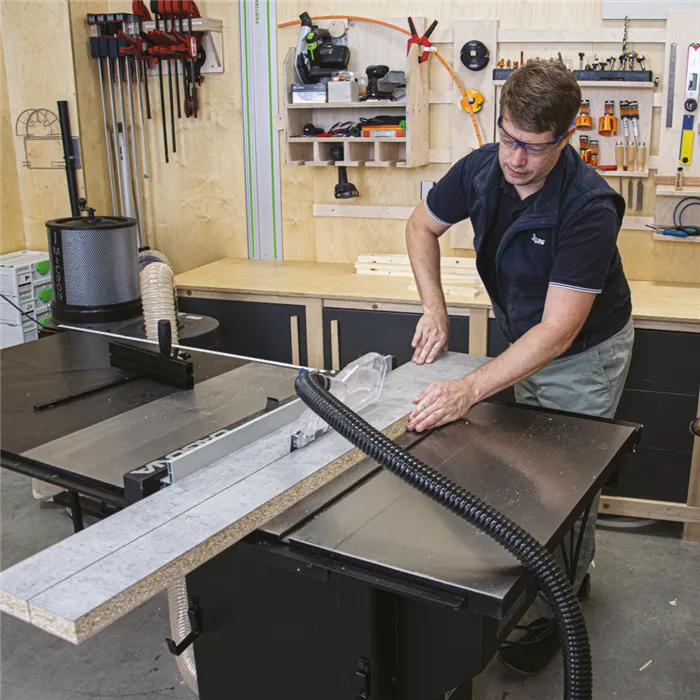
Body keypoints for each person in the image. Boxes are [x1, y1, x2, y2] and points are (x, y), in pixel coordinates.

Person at [404, 61, 635, 675]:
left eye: (533, 147)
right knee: (523, 474)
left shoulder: (588, 206)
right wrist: (435, 308)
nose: (515, 159)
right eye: (508, 138)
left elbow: (559, 332)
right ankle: (546, 575)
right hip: (523, 338)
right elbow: (420, 226)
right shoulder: (483, 168)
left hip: (582, 354)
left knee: (563, 483)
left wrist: (468, 390)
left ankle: (562, 600)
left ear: (565, 138)